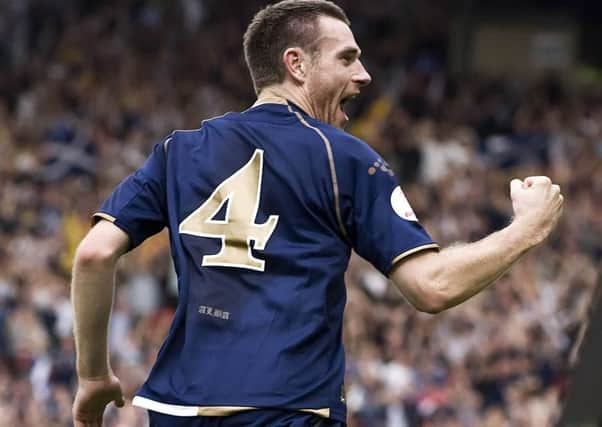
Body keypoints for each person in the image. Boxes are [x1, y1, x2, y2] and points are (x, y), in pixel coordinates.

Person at [70, 1, 564, 426]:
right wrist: (528, 229)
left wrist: (93, 377)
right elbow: (431, 287)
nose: (364, 75)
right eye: (347, 58)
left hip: (176, 407)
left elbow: (93, 255)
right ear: (297, 65)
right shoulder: (344, 157)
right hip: (288, 406)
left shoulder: (179, 150)